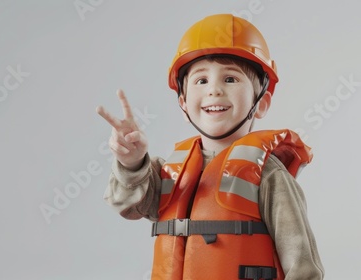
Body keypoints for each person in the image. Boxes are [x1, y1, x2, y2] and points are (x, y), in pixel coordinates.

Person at [96, 14, 324, 280]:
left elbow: (302, 266)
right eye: (201, 81)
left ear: (261, 103)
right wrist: (132, 162)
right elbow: (128, 205)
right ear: (183, 103)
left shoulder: (268, 175)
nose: (214, 90)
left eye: (230, 79)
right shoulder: (169, 172)